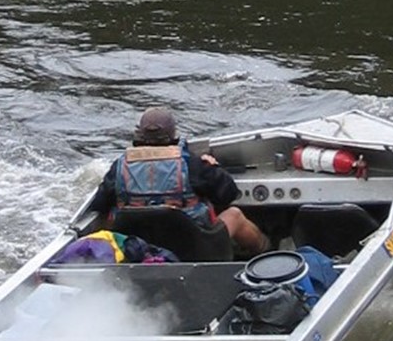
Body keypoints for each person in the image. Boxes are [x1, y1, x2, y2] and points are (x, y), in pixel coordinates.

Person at [87, 107, 269, 256]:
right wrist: (213, 167)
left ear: (139, 135)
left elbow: (99, 204)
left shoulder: (120, 166)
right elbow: (228, 193)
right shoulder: (191, 164)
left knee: (106, 218)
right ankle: (267, 253)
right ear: (173, 135)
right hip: (195, 250)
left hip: (137, 249)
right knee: (234, 214)